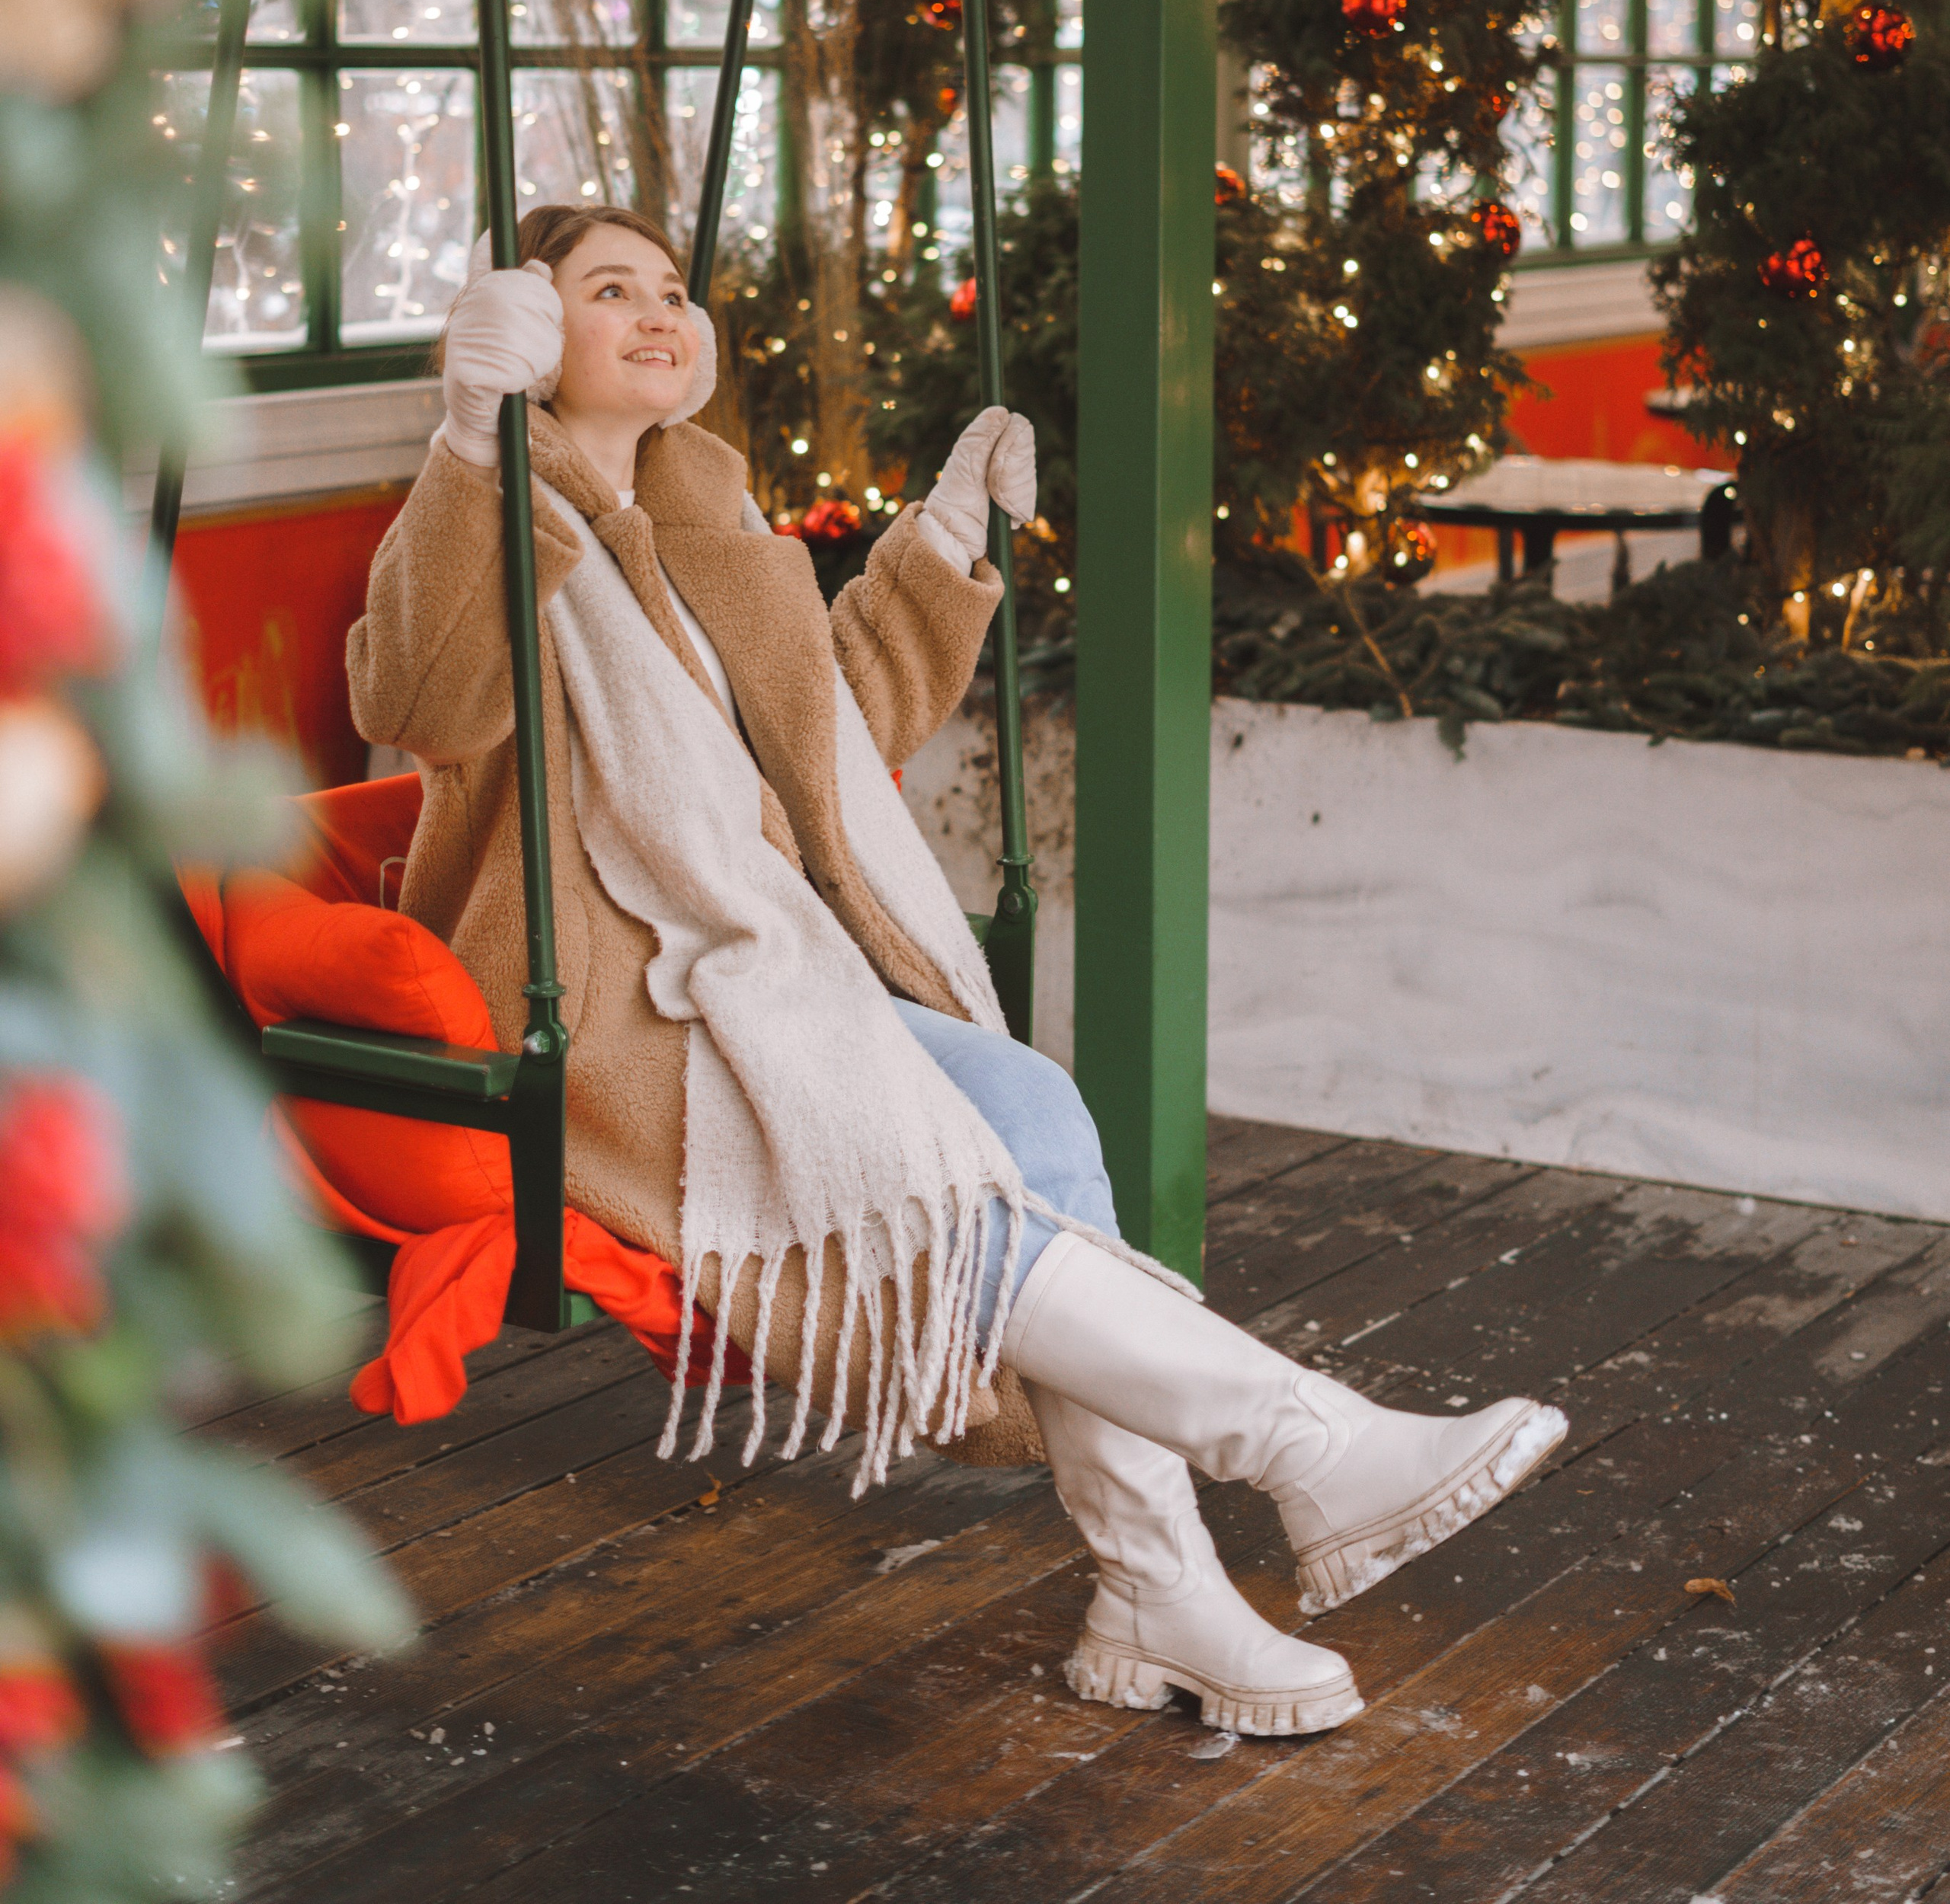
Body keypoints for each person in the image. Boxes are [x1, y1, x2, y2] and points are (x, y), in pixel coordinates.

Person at [350, 202, 1565, 1740]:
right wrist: (470, 440)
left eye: (671, 289)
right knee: (953, 1180)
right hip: (619, 1011)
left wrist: (938, 548)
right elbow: (419, 693)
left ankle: (1155, 1583)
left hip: (773, 971)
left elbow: (825, 737)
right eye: (608, 291)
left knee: (1034, 1116)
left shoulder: (707, 517)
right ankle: (1300, 1444)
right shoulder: (499, 512)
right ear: (521, 324)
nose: (660, 312)